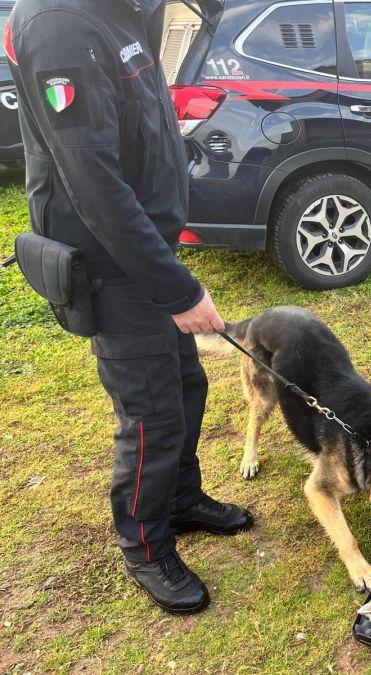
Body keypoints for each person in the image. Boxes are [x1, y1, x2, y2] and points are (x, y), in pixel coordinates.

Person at [6, 0, 252, 613]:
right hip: (111, 264)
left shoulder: (121, 13)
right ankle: (144, 545)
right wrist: (178, 289)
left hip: (143, 248)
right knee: (151, 416)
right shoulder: (59, 25)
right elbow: (92, 181)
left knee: (186, 383)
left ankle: (181, 500)